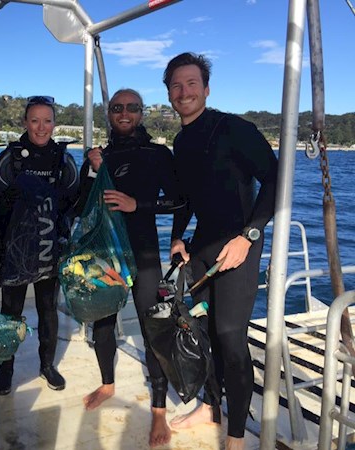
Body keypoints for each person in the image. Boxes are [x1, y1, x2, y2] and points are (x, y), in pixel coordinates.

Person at [163, 52, 278, 450]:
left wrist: (249, 235)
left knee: (230, 337)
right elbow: (187, 198)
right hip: (203, 247)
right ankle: (212, 407)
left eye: (191, 83)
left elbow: (275, 177)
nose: (184, 91)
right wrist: (179, 237)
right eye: (176, 85)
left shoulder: (233, 129)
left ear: (206, 89)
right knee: (204, 332)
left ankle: (235, 438)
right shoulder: (181, 140)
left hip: (238, 246)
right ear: (169, 95)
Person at [79, 88, 182, 448]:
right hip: (105, 254)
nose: (124, 113)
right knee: (102, 322)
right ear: (109, 113)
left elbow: (178, 200)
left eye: (132, 108)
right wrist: (94, 172)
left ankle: (157, 410)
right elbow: (80, 203)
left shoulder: (156, 153)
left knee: (152, 326)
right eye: (118, 108)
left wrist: (136, 203)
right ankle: (108, 383)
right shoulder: (99, 156)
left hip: (144, 253)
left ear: (141, 113)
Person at [0, 95, 79, 395]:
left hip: (49, 250)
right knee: (11, 312)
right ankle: (6, 370)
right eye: (35, 120)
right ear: (25, 122)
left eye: (47, 120)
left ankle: (46, 366)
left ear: (54, 123)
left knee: (47, 310)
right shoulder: (10, 158)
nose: (41, 127)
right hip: (16, 250)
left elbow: (74, 203)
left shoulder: (63, 159)